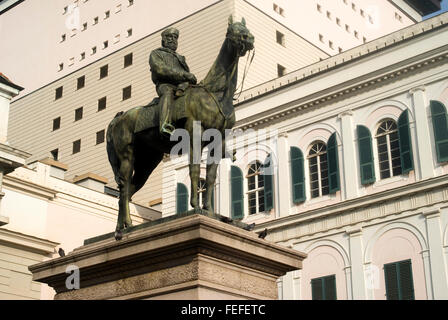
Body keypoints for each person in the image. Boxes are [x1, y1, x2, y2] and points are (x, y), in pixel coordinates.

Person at [149, 27, 197, 136]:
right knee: (167, 93)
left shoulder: (180, 58)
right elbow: (160, 69)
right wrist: (185, 75)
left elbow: (186, 73)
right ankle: (165, 124)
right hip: (165, 84)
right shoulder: (156, 53)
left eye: (175, 37)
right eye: (169, 37)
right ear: (163, 41)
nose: (173, 39)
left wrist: (190, 78)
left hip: (182, 86)